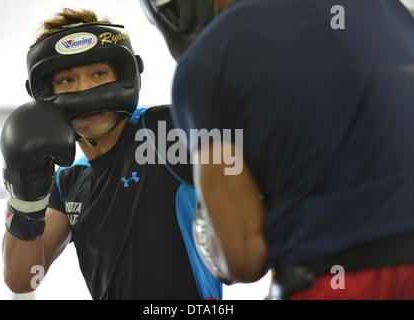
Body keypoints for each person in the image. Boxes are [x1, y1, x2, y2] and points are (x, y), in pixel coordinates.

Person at [141, 0, 414, 299]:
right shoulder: (391, 11)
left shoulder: (206, 62)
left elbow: (243, 257)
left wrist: (215, 230)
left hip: (339, 280)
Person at [0, 8, 221, 300]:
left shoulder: (164, 131)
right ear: (43, 93)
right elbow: (22, 279)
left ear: (126, 74)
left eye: (99, 74)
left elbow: (263, 166)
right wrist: (24, 198)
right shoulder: (68, 180)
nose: (86, 90)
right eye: (67, 80)